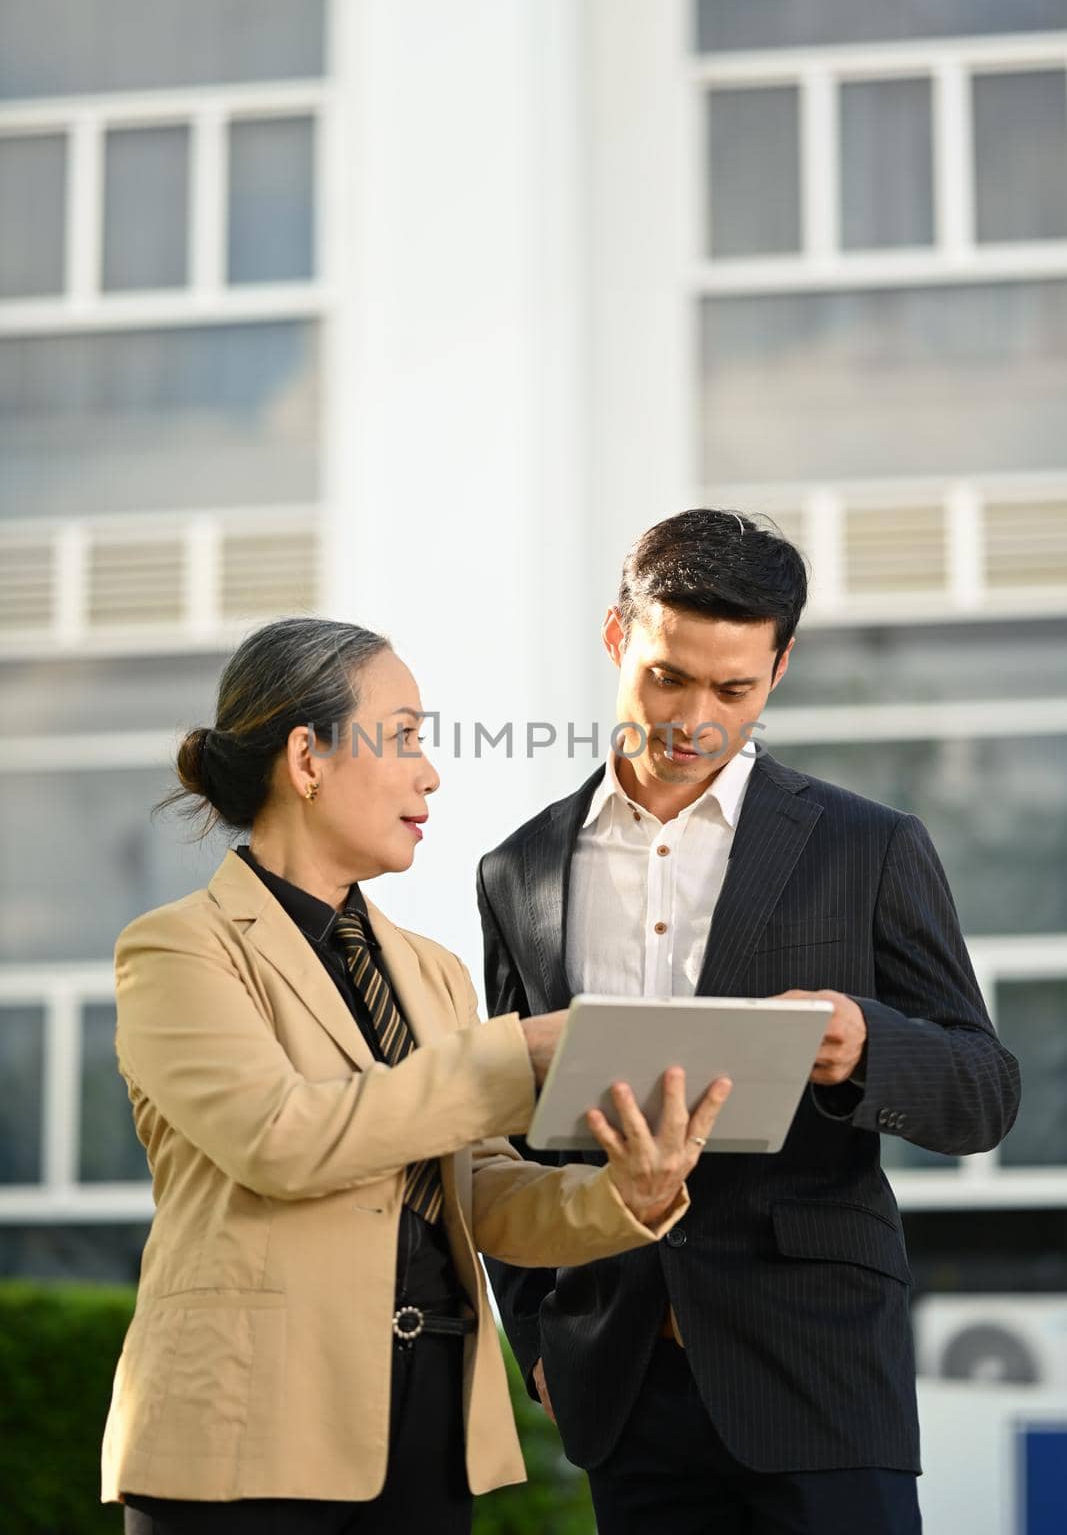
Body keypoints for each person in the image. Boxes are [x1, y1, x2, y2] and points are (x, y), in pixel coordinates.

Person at [100, 616, 732, 1535]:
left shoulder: (432, 969)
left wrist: (624, 1196)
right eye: (402, 737)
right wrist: (514, 1056)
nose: (430, 771)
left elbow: (474, 1192)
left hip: (426, 1427)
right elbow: (281, 1140)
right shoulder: (176, 949)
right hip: (244, 1440)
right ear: (306, 758)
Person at [479, 508, 1022, 1535]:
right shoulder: (518, 869)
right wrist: (540, 1340)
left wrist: (865, 1043)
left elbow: (984, 1091)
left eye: (731, 689)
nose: (693, 717)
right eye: (665, 678)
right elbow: (511, 1124)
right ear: (614, 639)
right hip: (621, 1375)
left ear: (777, 669)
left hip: (816, 1367)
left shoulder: (865, 845)